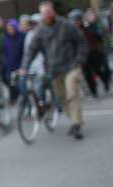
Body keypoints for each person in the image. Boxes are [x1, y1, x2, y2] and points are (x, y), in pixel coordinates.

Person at [21, 1, 87, 140]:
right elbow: (31, 50)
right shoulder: (40, 31)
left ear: (53, 12)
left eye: (49, 12)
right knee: (62, 98)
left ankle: (76, 124)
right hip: (54, 70)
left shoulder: (66, 25)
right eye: (44, 13)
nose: (47, 15)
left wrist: (79, 60)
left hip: (71, 66)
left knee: (72, 93)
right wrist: (24, 67)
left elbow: (81, 42)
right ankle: (75, 119)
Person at [2, 19, 26, 102]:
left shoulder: (22, 36)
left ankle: (25, 101)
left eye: (12, 28)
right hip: (10, 67)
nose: (10, 31)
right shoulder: (6, 39)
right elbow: (5, 52)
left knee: (22, 86)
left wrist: (22, 66)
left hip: (21, 66)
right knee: (12, 84)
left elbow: (25, 52)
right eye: (8, 29)